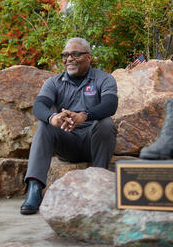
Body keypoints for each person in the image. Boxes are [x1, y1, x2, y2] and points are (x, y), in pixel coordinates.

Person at [20, 37, 119, 215]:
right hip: (67, 143)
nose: (69, 59)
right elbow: (39, 106)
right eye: (65, 55)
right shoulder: (54, 82)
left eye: (75, 54)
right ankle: (34, 189)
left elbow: (110, 105)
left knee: (106, 123)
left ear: (89, 57)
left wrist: (85, 115)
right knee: (44, 125)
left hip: (93, 143)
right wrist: (53, 118)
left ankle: (98, 184)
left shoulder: (104, 79)